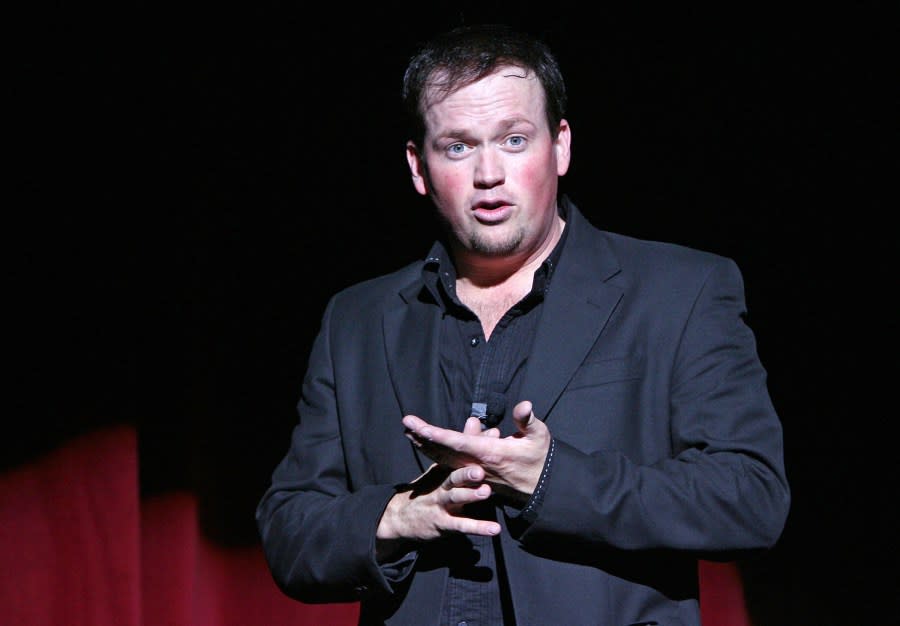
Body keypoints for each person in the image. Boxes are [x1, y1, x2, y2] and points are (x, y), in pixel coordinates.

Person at [255, 22, 790, 626]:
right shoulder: (355, 320)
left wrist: (553, 480)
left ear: (559, 146)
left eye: (513, 140)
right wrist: (397, 516)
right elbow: (290, 530)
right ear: (418, 166)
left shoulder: (679, 291)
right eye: (457, 146)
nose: (488, 175)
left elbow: (751, 498)